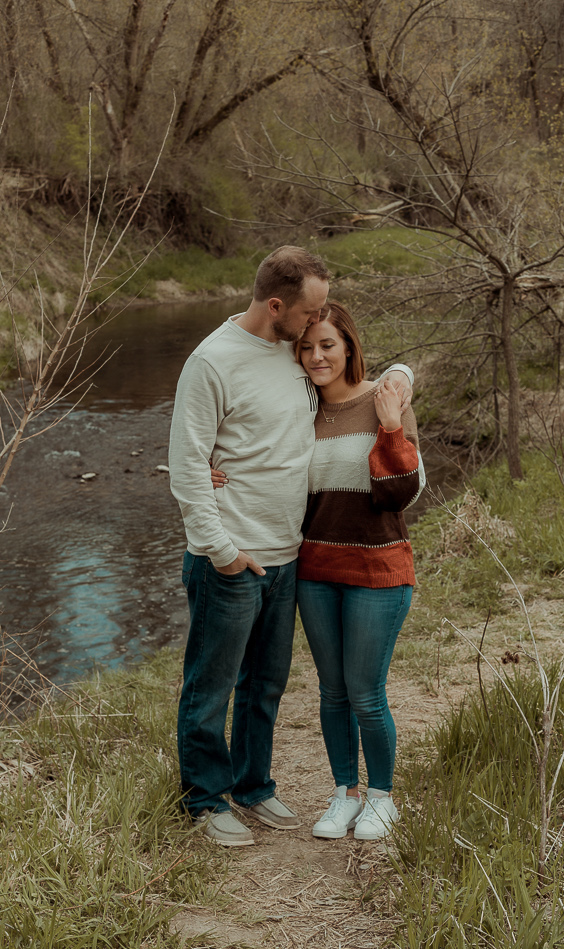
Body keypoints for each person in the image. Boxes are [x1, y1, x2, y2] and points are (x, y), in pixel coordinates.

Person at [169, 247, 412, 848]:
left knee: (265, 684)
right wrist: (219, 549)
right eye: (307, 315)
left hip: (287, 555)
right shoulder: (211, 363)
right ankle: (205, 800)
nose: (314, 326)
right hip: (231, 556)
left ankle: (253, 787)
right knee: (212, 685)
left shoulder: (294, 352)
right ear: (276, 306)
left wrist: (402, 378)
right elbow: (186, 462)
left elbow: (355, 359)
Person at [288, 302, 423, 841]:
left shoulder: (385, 399)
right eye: (306, 346)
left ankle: (382, 798)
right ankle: (345, 793)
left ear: (348, 346)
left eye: (327, 345)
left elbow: (403, 492)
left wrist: (390, 428)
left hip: (378, 569)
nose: (317, 356)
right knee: (332, 691)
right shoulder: (298, 412)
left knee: (365, 690)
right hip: (315, 569)